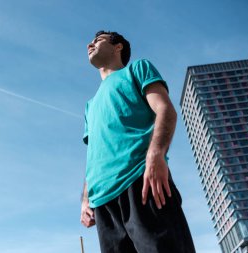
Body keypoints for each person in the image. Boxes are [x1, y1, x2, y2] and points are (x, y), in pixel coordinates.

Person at [80, 30, 196, 253]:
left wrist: (156, 154)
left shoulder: (137, 69)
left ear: (118, 47)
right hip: (103, 202)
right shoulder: (89, 105)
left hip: (143, 181)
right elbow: (94, 153)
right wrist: (85, 199)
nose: (90, 44)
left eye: (98, 40)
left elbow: (165, 110)